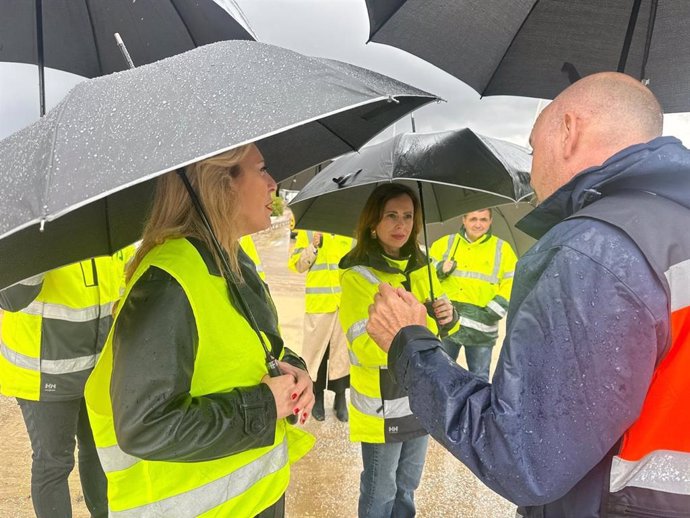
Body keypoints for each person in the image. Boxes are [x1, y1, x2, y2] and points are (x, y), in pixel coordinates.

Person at [365, 72, 690, 516]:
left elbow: (523, 456)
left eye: (534, 148)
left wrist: (412, 346)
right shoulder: (674, 227)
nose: (531, 168)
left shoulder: (593, 250)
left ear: (569, 132)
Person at [84, 143, 315, 518]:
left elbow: (251, 346)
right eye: (261, 169)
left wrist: (295, 370)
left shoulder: (234, 258)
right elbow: (145, 426)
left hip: (259, 499)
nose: (274, 184)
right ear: (222, 183)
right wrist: (264, 404)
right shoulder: (167, 283)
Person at [338, 183, 457, 518]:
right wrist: (420, 331)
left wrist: (447, 317)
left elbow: (437, 332)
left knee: (407, 485)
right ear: (373, 223)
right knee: (380, 490)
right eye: (391, 215)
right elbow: (363, 348)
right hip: (382, 408)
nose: (401, 224)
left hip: (421, 399)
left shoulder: (421, 267)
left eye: (407, 216)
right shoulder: (358, 276)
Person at [0, 248, 133, 518]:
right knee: (54, 463)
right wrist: (42, 247)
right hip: (44, 371)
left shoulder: (106, 224)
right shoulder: (43, 229)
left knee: (98, 453)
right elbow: (11, 298)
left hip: (98, 368)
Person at [429, 208, 517, 380]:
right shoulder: (445, 244)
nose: (478, 224)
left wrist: (493, 311)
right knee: (441, 375)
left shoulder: (503, 249)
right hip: (448, 326)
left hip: (482, 329)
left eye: (483, 220)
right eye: (473, 219)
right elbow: (425, 276)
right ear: (464, 220)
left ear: (491, 221)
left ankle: (477, 408)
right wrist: (440, 269)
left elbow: (512, 282)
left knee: (479, 379)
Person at [288, 230, 353, 421]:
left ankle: (340, 399)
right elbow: (297, 265)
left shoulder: (348, 232)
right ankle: (316, 398)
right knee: (316, 355)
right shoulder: (308, 232)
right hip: (319, 305)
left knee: (341, 355)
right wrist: (313, 247)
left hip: (344, 304)